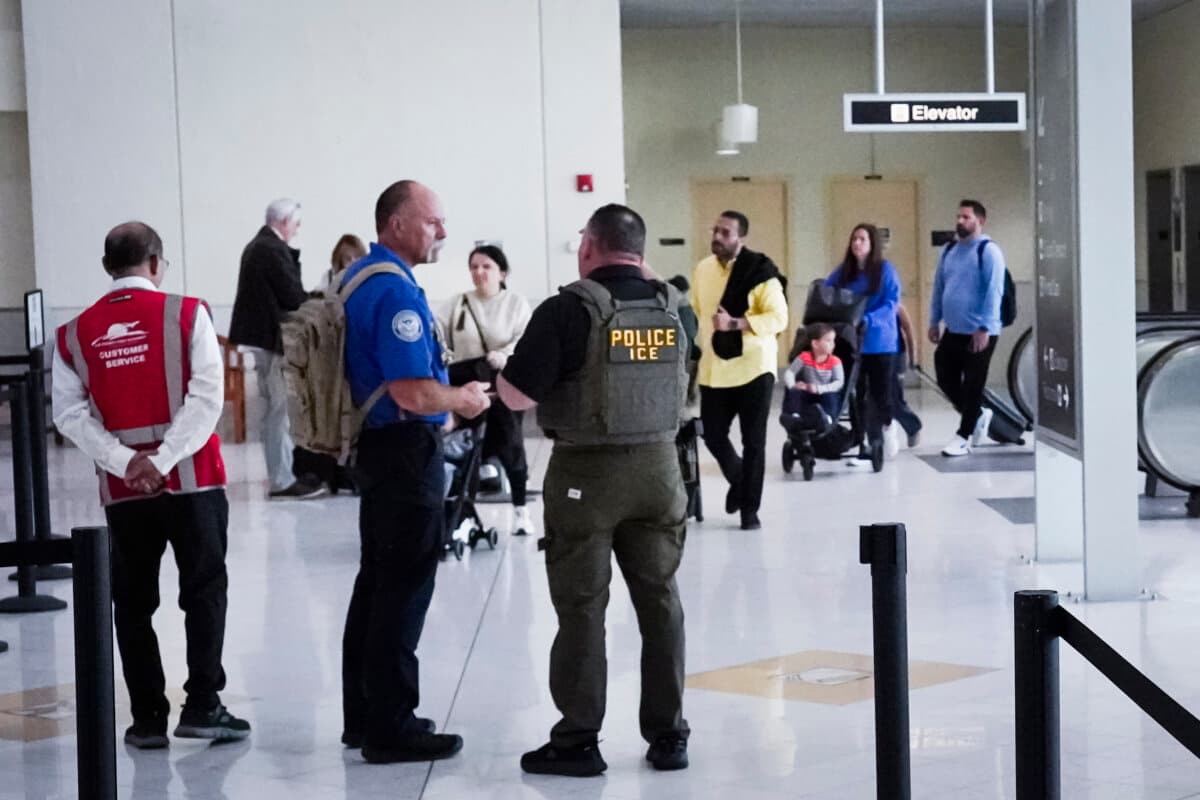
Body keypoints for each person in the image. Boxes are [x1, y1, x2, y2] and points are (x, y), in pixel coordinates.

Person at [497, 204, 691, 777]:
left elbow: (515, 396)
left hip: (587, 475)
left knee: (583, 607)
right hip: (661, 470)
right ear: (639, 249)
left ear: (588, 247)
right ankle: (669, 736)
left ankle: (578, 739)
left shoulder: (566, 310)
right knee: (661, 602)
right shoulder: (677, 308)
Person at [52, 222, 249, 750]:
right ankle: (204, 704)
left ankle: (145, 719)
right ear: (157, 263)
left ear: (106, 267)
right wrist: (163, 459)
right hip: (194, 483)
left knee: (133, 602)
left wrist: (124, 461)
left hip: (123, 493)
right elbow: (208, 398)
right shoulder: (188, 314)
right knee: (203, 589)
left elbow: (68, 415)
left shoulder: (73, 334)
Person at [339, 180, 490, 764]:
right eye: (433, 223)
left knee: (375, 585)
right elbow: (410, 390)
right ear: (397, 224)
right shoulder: (396, 294)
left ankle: (366, 714)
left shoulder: (360, 279)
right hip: (404, 454)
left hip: (380, 454)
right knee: (402, 590)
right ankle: (392, 726)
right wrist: (463, 400)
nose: (444, 233)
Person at [691, 210, 788, 530]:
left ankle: (750, 510)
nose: (717, 237)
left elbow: (779, 318)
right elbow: (697, 312)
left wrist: (736, 323)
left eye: (726, 233)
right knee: (714, 434)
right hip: (715, 368)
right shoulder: (703, 269)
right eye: (715, 230)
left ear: (740, 238)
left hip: (754, 367)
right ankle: (739, 479)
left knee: (754, 441)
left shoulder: (760, 272)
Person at [228, 198, 323, 499]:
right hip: (273, 342)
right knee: (279, 411)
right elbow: (293, 296)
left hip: (261, 340)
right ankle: (282, 479)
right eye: (296, 223)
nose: (297, 229)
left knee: (273, 409)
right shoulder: (271, 249)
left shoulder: (257, 246)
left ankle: (280, 475)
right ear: (284, 222)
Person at [437, 245, 535, 535]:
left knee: (510, 442)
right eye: (474, 267)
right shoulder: (458, 303)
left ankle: (521, 511)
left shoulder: (515, 304)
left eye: (486, 266)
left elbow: (524, 339)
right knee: (465, 445)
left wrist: (504, 354)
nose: (479, 272)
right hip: (466, 381)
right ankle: (461, 508)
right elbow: (439, 335)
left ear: (502, 273)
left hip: (502, 383)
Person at [928, 199, 1007, 457]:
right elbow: (939, 286)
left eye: (966, 217)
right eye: (958, 217)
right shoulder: (949, 250)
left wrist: (984, 327)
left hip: (981, 331)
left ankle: (964, 435)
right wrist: (933, 320)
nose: (960, 221)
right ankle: (976, 414)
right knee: (944, 376)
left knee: (974, 383)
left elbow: (994, 292)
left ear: (979, 221)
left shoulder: (989, 251)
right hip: (954, 329)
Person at [825, 223, 902, 464]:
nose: (857, 243)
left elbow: (892, 303)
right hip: (852, 343)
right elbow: (826, 291)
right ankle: (864, 444)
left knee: (882, 395)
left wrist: (867, 319)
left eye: (862, 239)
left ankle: (889, 427)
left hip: (881, 342)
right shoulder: (844, 272)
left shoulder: (885, 271)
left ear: (872, 244)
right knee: (855, 395)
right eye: (854, 239)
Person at [782, 322, 844, 424]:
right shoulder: (804, 357)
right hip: (807, 392)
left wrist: (819, 389)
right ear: (815, 344)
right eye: (828, 340)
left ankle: (828, 418)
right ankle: (794, 415)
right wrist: (793, 385)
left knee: (831, 395)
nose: (833, 344)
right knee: (794, 390)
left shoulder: (835, 361)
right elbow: (790, 372)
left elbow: (839, 383)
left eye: (833, 340)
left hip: (824, 392)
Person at [892, 303, 923, 447]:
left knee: (895, 398)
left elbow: (909, 331)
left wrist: (912, 358)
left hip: (896, 355)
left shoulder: (897, 307)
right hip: (874, 356)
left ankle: (913, 427)